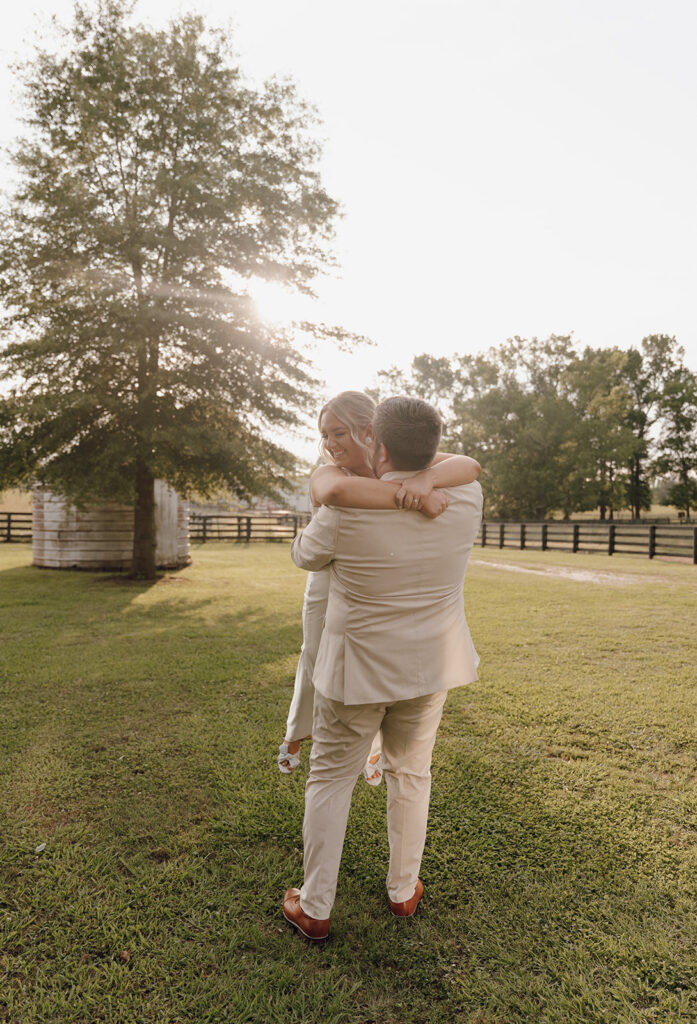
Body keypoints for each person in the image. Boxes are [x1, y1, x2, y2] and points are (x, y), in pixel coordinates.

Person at [282, 396, 483, 942]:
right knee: (411, 774)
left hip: (356, 673)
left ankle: (316, 906)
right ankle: (403, 891)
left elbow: (304, 555)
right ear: (434, 447)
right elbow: (465, 466)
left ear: (380, 445)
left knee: (329, 780)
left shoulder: (346, 510)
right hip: (430, 668)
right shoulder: (465, 497)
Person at [277, 390, 481, 786]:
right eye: (325, 434)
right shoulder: (329, 474)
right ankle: (299, 733)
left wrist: (428, 478)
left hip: (381, 574)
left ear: (367, 432)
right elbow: (335, 494)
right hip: (327, 577)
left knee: (369, 675)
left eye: (340, 432)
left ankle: (372, 748)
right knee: (317, 659)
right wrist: (416, 497)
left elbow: (470, 464)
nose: (331, 444)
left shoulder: (398, 463)